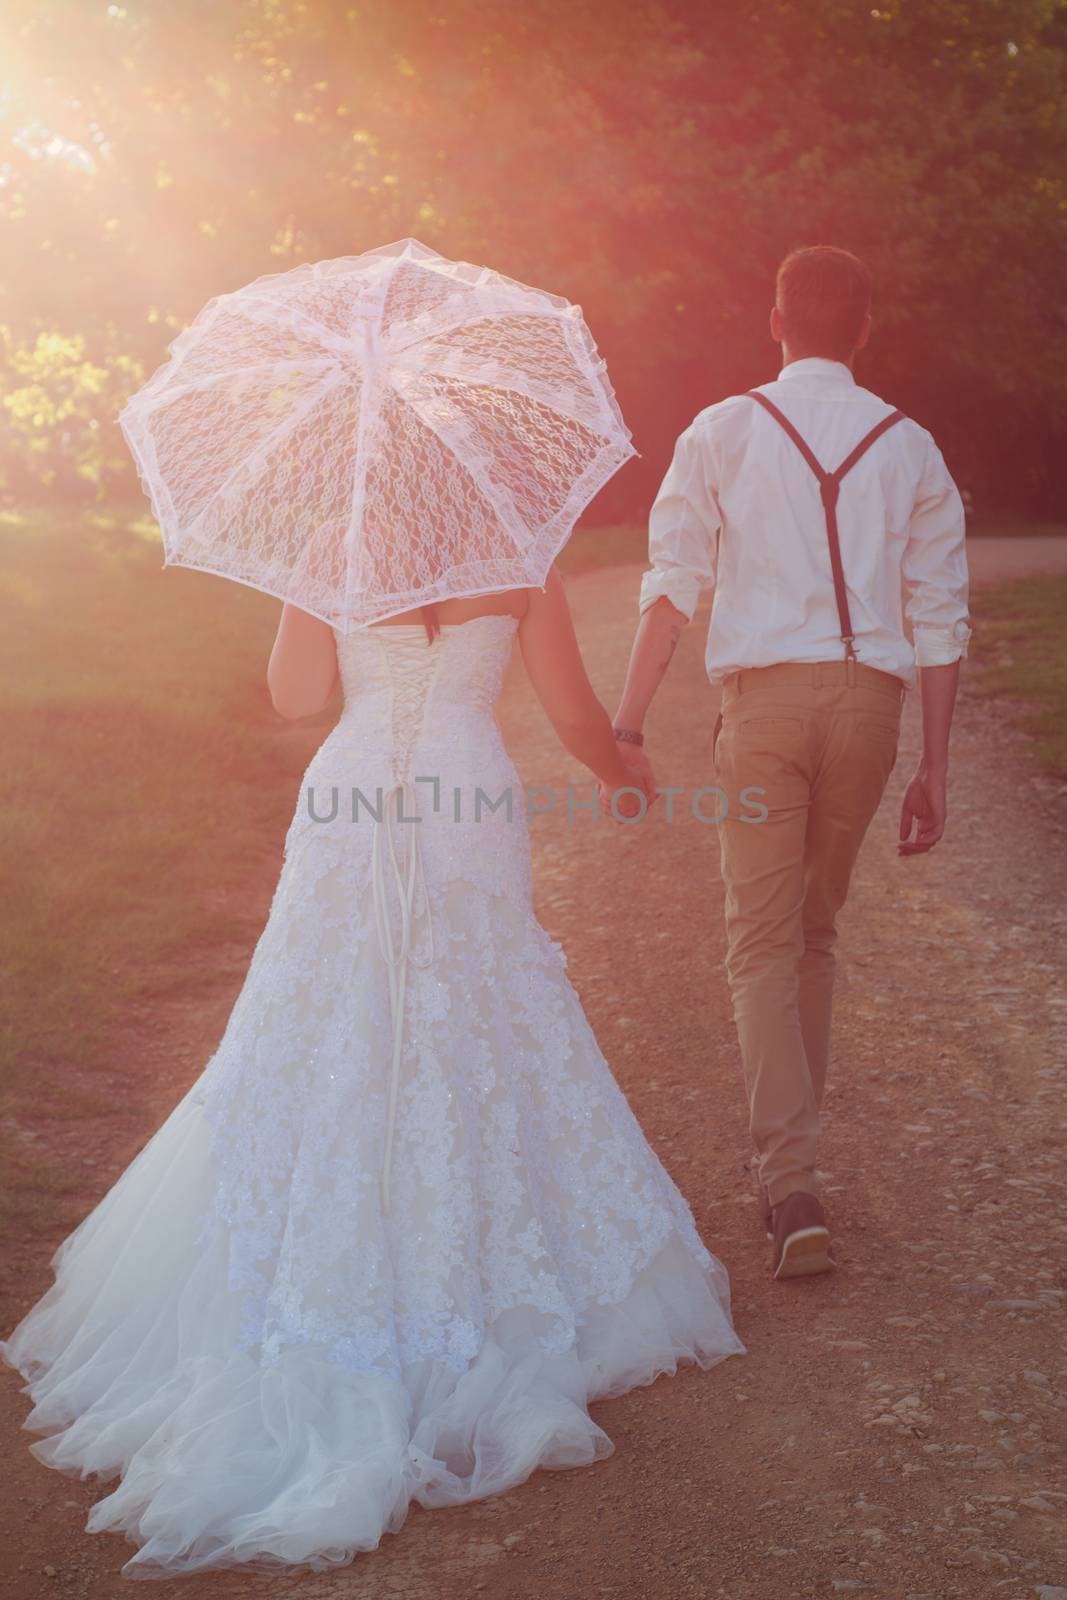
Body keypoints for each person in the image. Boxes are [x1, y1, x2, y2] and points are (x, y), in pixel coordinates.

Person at [1, 573, 744, 1578]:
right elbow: (571, 709)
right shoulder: (519, 554)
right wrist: (617, 767)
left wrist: (311, 587)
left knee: (321, 1021)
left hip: (349, 796)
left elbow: (295, 696)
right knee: (478, 1014)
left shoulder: (336, 546)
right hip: (464, 790)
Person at [607, 245, 971, 1281]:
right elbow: (939, 617)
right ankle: (792, 1164)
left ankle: (788, 1182)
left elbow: (670, 580)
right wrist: (932, 767)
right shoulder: (910, 447)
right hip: (869, 708)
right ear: (863, 329)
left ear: (775, 319)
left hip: (762, 708)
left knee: (760, 944)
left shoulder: (720, 431)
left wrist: (626, 726)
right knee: (810, 933)